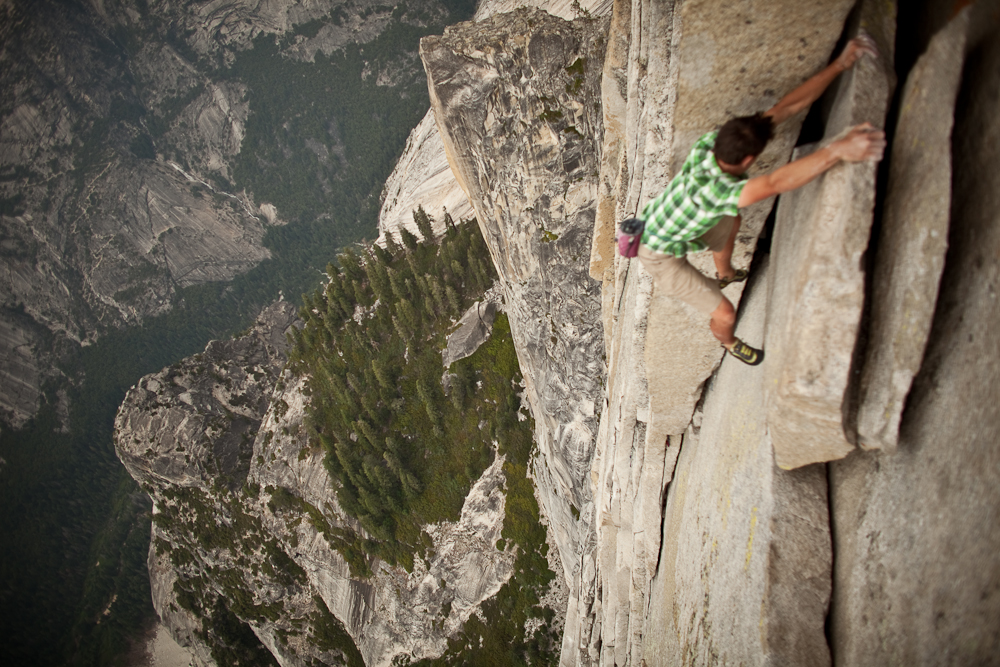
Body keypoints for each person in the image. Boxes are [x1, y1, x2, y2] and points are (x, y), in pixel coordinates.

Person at [631, 35, 887, 366]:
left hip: (671, 221)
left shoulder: (712, 143)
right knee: (724, 312)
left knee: (731, 219)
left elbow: (786, 108)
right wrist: (838, 150)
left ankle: (724, 273)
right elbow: (777, 181)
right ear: (749, 159)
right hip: (658, 254)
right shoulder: (721, 192)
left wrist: (841, 63)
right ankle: (729, 343)